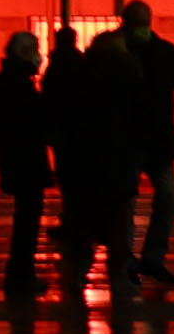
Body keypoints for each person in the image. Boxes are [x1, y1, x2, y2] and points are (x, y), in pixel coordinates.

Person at [47, 27, 140, 301]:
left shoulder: (79, 74)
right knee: (117, 223)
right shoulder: (129, 75)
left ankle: (78, 272)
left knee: (82, 222)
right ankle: (119, 277)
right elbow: (138, 118)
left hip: (84, 160)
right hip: (118, 160)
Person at [117, 0, 174, 281]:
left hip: (132, 141)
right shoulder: (163, 52)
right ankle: (148, 257)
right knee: (165, 200)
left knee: (130, 203)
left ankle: (131, 259)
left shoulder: (119, 52)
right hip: (153, 140)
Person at [0, 29, 51, 303]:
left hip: (18, 158)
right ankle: (21, 274)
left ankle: (21, 273)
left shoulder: (10, 80)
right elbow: (33, 119)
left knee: (26, 217)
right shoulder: (17, 83)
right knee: (27, 219)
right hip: (24, 159)